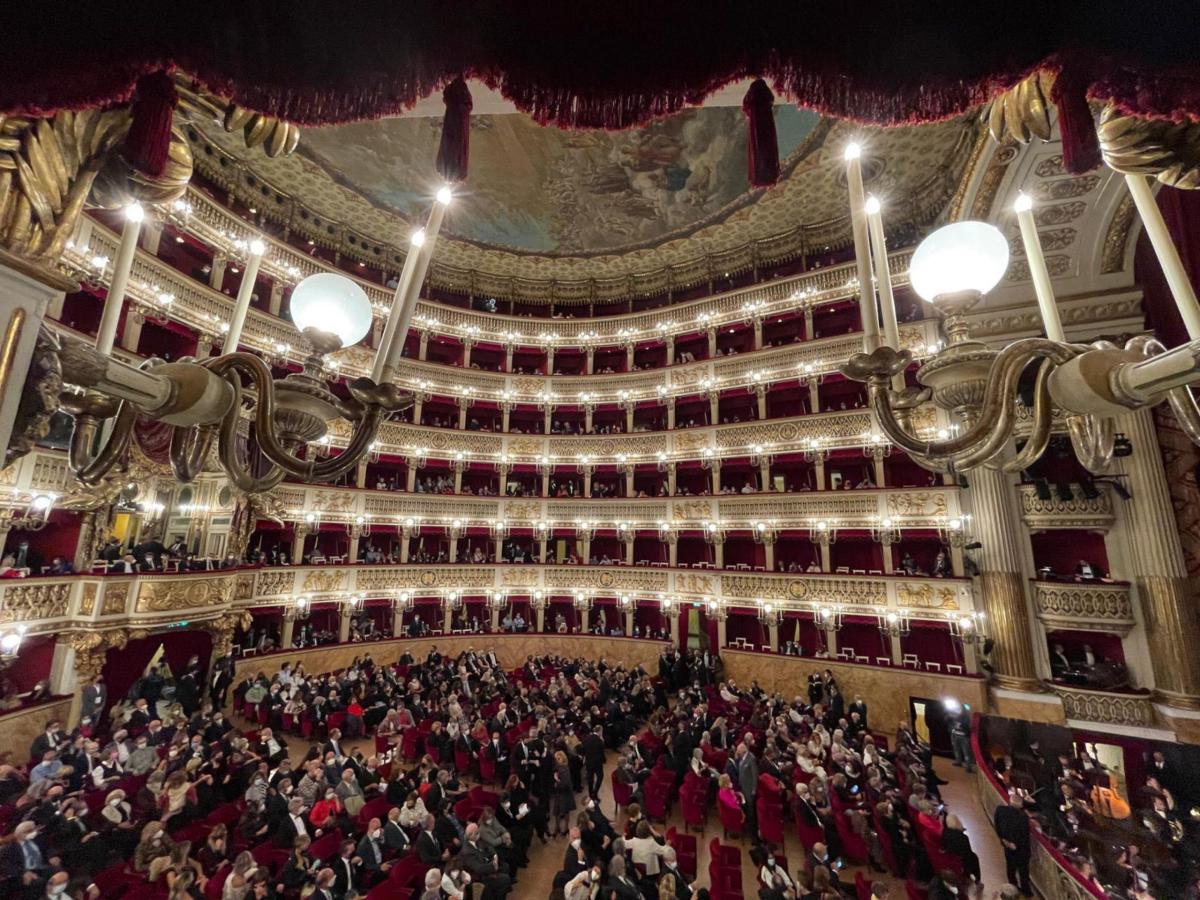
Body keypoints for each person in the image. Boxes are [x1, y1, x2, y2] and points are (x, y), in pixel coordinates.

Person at [994, 792, 1032, 896]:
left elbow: (997, 825)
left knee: (1010, 867)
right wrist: (1014, 844)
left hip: (1007, 846)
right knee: (1023, 871)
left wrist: (1004, 840)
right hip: (1020, 849)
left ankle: (1013, 887)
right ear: (1020, 805)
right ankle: (1026, 892)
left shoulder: (1000, 810)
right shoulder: (1023, 817)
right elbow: (1024, 835)